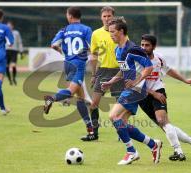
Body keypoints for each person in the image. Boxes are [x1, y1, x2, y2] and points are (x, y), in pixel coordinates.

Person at [101, 17, 162, 165]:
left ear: (121, 31)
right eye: (109, 32)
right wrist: (111, 82)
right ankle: (153, 144)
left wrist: (136, 81)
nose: (111, 35)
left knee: (113, 116)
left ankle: (131, 152)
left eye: (113, 32)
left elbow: (149, 67)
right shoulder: (117, 49)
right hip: (130, 89)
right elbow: (123, 71)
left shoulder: (133, 48)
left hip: (136, 90)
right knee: (121, 123)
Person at [139, 34, 191, 161]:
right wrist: (152, 93)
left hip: (159, 91)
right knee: (166, 126)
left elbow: (168, 70)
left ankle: (178, 152)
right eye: (142, 45)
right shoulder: (137, 59)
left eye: (147, 45)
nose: (144, 47)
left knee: (163, 121)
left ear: (154, 46)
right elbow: (134, 82)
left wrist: (185, 80)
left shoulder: (159, 58)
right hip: (143, 95)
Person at [43, 7, 95, 141]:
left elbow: (53, 44)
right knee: (71, 92)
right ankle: (52, 99)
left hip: (68, 64)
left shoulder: (64, 30)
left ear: (70, 16)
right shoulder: (86, 29)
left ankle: (90, 131)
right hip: (79, 64)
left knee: (80, 98)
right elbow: (92, 47)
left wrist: (62, 51)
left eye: (67, 15)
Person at [82, 6, 125, 141]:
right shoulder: (96, 34)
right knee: (93, 104)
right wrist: (94, 74)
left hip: (118, 72)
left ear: (113, 17)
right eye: (104, 16)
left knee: (120, 105)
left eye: (109, 16)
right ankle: (94, 133)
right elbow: (94, 55)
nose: (107, 19)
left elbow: (126, 53)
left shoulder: (120, 32)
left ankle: (121, 133)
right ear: (101, 17)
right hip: (103, 71)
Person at [6, 21, 23, 85]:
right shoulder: (4, 32)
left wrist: (21, 51)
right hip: (6, 51)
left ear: (12, 26)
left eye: (9, 26)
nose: (8, 27)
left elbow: (19, 42)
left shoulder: (16, 33)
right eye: (7, 26)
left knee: (13, 65)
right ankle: (9, 79)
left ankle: (14, 78)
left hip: (14, 51)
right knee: (6, 66)